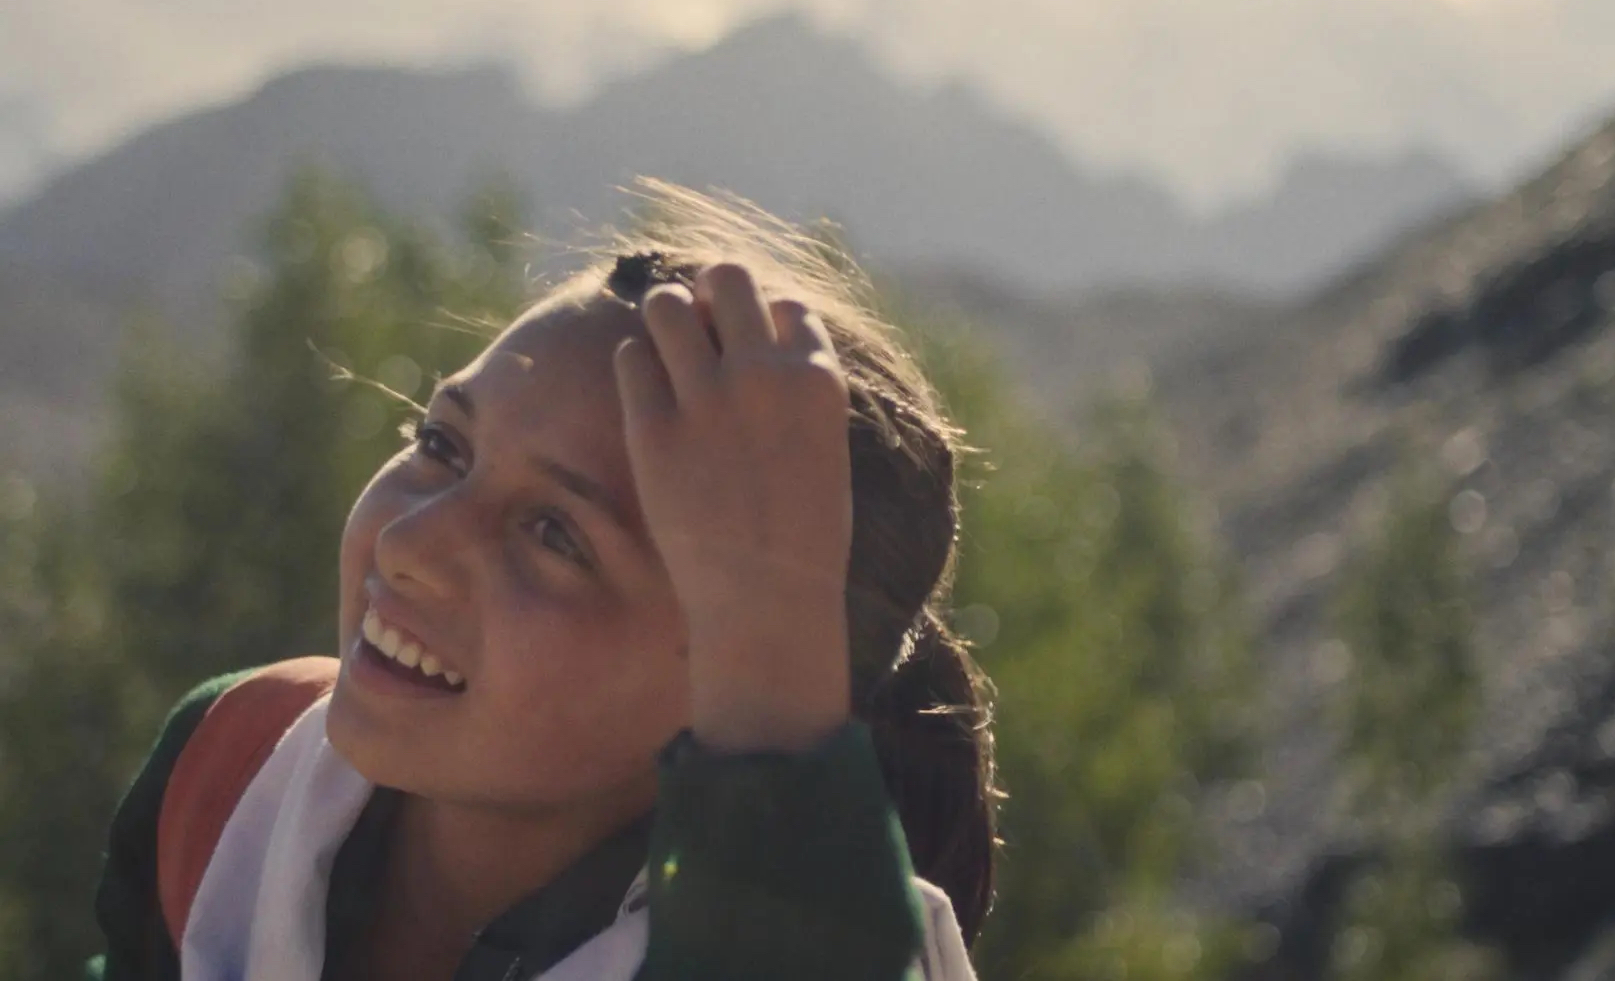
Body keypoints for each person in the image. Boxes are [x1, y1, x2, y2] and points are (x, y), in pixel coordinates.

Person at [88, 184, 996, 981]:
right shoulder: (228, 774)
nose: (410, 541)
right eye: (441, 445)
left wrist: (774, 673)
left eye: (555, 534)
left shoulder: (815, 944)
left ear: (745, 668)